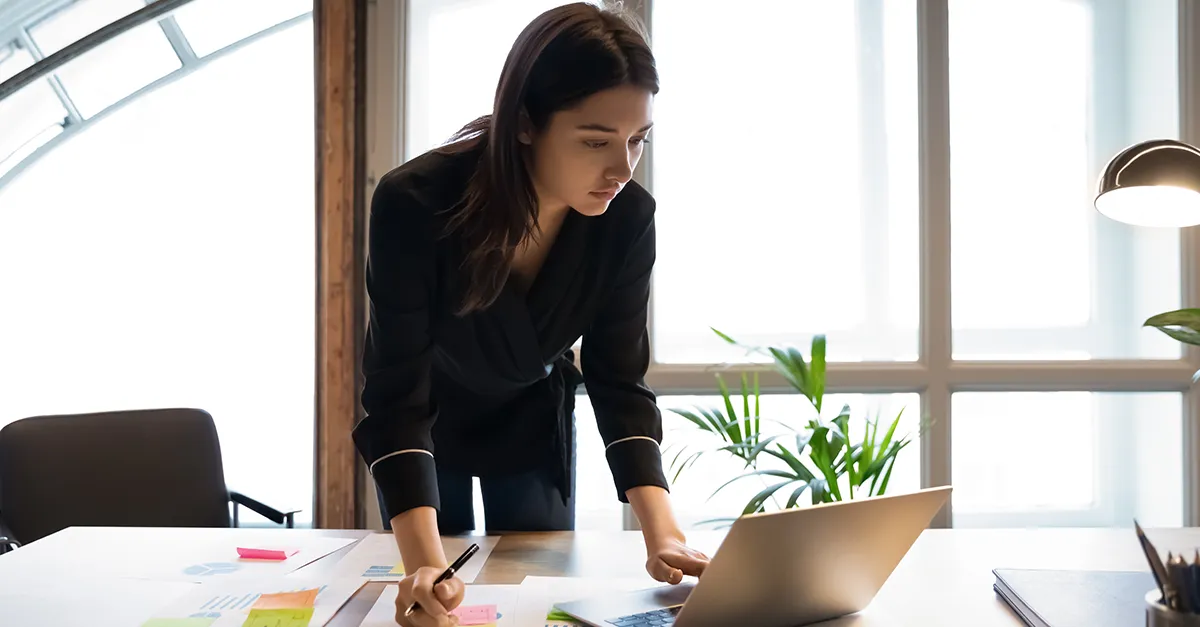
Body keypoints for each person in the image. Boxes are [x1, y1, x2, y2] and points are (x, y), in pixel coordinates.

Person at [352, 3, 710, 626]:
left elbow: (619, 380)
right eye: (596, 141)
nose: (622, 168)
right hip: (428, 418)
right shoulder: (415, 202)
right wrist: (423, 566)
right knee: (438, 592)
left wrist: (665, 535)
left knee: (537, 592)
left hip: (531, 413)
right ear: (524, 124)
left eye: (637, 141)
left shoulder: (627, 219)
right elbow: (395, 395)